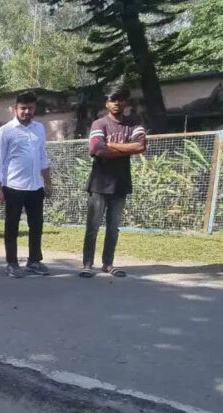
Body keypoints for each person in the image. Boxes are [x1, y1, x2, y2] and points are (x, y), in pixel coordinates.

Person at [80, 87, 146, 278]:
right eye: (113, 100)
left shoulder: (134, 123)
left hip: (121, 183)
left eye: (121, 99)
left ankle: (108, 264)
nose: (117, 103)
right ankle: (87, 264)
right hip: (99, 184)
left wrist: (111, 144)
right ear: (106, 103)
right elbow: (97, 150)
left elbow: (140, 146)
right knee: (92, 226)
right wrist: (126, 149)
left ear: (126, 102)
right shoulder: (99, 124)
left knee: (113, 227)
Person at [0, 91, 53, 279]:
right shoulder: (6, 131)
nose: (27, 111)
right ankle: (12, 263)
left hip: (35, 186)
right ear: (15, 109)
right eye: (23, 108)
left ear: (35, 108)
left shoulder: (39, 129)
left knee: (36, 226)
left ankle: (34, 261)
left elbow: (42, 156)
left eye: (30, 108)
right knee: (12, 227)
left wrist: (48, 182)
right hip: (13, 187)